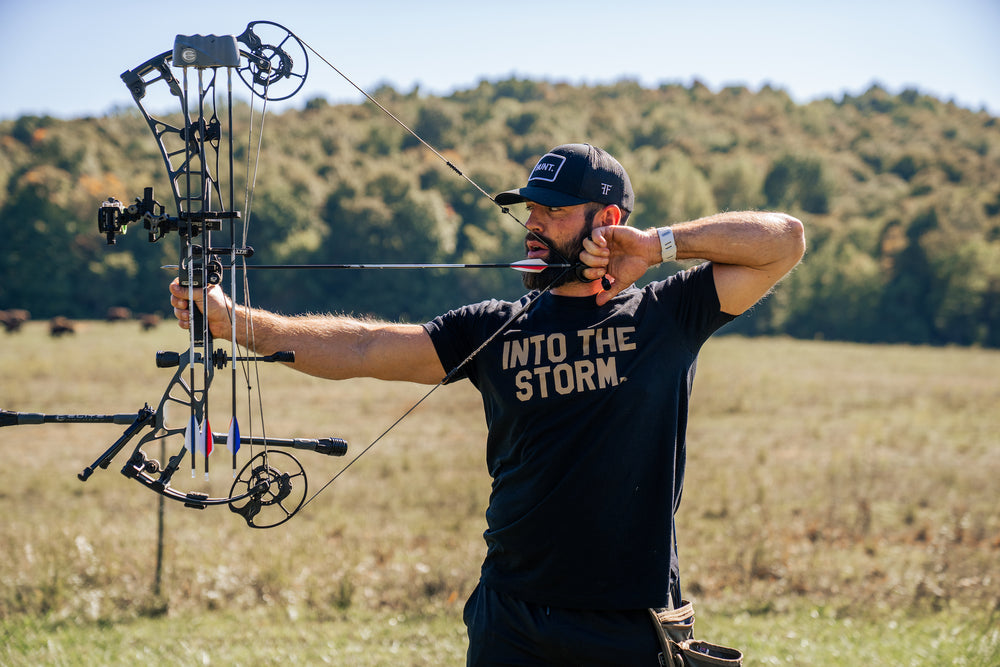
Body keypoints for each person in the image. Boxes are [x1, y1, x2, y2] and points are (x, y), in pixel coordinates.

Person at [170, 143, 805, 665]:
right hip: (513, 618)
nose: (533, 224)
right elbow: (363, 348)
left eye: (553, 212)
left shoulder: (667, 315)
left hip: (627, 625)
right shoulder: (494, 327)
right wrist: (234, 322)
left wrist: (656, 247)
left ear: (605, 222)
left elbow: (784, 241)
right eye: (530, 208)